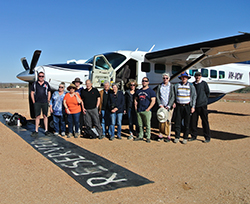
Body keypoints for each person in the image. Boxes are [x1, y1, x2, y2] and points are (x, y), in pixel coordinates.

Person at [173, 72, 197, 144]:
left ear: (187, 78)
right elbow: (174, 94)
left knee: (187, 122)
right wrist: (174, 102)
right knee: (177, 122)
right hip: (179, 106)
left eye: (185, 77)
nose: (184, 78)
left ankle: (185, 137)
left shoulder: (191, 86)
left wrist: (193, 106)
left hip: (187, 106)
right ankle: (177, 136)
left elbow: (194, 96)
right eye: (182, 77)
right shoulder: (177, 85)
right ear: (181, 78)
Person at [190, 71, 211, 143]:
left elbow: (207, 92)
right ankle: (193, 135)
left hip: (202, 106)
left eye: (199, 76)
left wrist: (204, 101)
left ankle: (207, 137)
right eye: (196, 76)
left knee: (205, 121)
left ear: (201, 76)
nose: (197, 77)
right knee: (193, 122)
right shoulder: (193, 84)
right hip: (195, 106)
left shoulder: (204, 84)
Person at [134, 77, 156, 143]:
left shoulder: (151, 91)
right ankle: (141, 136)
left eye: (146, 81)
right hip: (139, 110)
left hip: (147, 110)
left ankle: (148, 137)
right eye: (143, 81)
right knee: (140, 125)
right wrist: (135, 106)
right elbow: (135, 99)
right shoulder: (139, 91)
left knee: (147, 125)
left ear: (148, 82)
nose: (144, 82)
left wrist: (148, 109)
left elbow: (153, 101)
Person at [30, 71, 51, 137]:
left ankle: (46, 130)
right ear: (38, 77)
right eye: (40, 76)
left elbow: (49, 92)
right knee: (37, 116)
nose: (41, 77)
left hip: (44, 102)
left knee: (45, 116)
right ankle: (36, 130)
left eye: (42, 76)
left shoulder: (46, 84)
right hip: (37, 102)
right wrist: (33, 101)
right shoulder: (35, 84)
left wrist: (48, 99)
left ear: (44, 77)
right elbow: (32, 92)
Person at [156, 73, 175, 142]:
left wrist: (169, 105)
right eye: (164, 78)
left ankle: (168, 135)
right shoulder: (160, 86)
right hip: (161, 106)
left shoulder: (171, 86)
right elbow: (157, 95)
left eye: (166, 78)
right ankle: (160, 134)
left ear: (169, 78)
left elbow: (173, 96)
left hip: (168, 107)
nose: (165, 79)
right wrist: (160, 104)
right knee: (161, 120)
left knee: (168, 121)